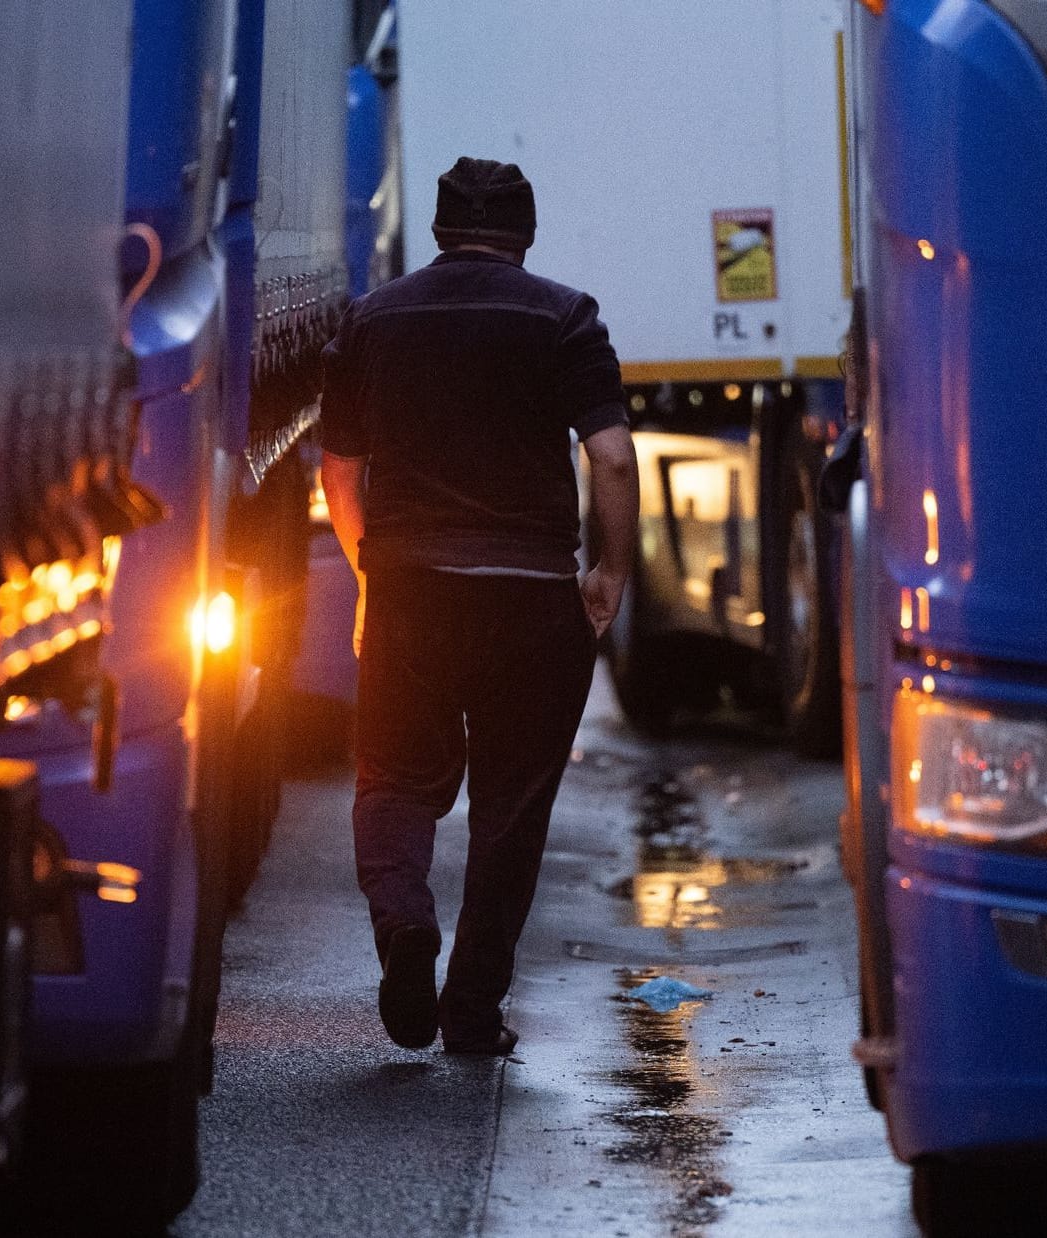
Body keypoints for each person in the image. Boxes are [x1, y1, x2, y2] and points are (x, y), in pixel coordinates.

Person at [319, 157, 639, 1054]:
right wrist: (609, 571)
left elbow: (339, 468)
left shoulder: (373, 320)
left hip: (412, 590)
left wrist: (369, 570)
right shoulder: (565, 316)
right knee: (512, 807)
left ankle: (403, 922)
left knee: (391, 778)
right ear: (525, 236)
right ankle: (470, 1009)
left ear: (436, 231)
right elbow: (610, 456)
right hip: (532, 600)